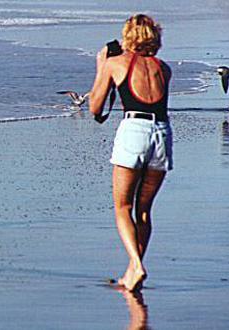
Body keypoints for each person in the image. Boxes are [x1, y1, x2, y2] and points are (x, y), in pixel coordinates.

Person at [89, 14, 173, 291]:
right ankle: (131, 273)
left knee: (122, 207)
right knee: (144, 210)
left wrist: (102, 66)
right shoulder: (164, 68)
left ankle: (136, 264)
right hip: (161, 133)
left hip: (134, 131)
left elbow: (95, 108)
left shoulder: (116, 63)